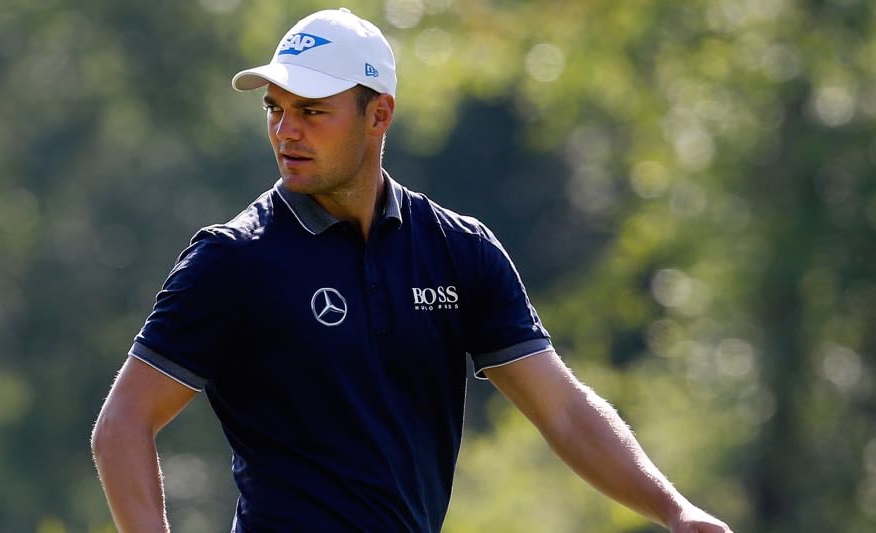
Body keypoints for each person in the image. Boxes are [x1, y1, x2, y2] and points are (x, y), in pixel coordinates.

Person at [91, 8, 732, 533]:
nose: (286, 131)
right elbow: (121, 426)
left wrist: (674, 511)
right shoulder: (233, 259)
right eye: (275, 109)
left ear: (379, 115)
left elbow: (563, 410)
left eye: (311, 111)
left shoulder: (460, 251)